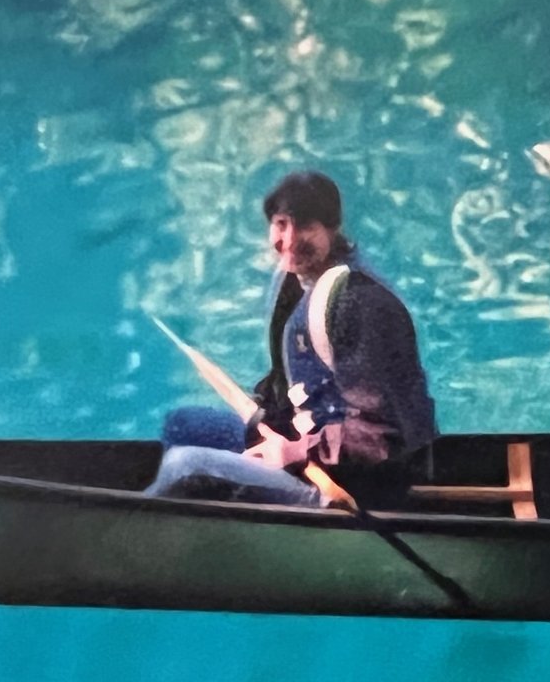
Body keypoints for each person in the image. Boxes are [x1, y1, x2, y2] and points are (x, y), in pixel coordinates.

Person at [149, 170, 438, 507]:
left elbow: (378, 440)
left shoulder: (359, 304)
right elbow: (303, 384)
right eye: (282, 224)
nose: (289, 240)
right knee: (182, 425)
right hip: (312, 449)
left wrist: (293, 451)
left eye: (306, 226)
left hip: (352, 487)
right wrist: (270, 418)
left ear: (332, 228)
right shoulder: (302, 287)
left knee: (185, 465)